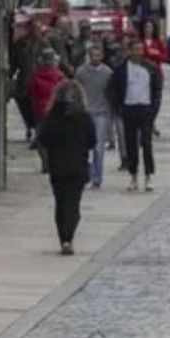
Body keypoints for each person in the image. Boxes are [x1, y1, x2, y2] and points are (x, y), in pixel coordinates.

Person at [32, 80, 98, 256]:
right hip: (78, 166)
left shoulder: (52, 117)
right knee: (73, 202)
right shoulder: (84, 118)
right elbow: (93, 141)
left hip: (58, 166)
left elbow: (43, 138)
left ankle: (64, 238)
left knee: (60, 202)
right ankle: (69, 235)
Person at [107, 37, 163, 192]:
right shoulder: (121, 69)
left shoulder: (151, 68)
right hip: (129, 109)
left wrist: (154, 109)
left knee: (146, 143)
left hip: (145, 109)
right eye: (135, 49)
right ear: (130, 51)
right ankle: (133, 175)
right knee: (130, 144)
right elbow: (112, 89)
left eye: (140, 49)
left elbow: (157, 90)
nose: (138, 52)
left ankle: (148, 175)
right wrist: (118, 108)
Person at [74, 45, 114, 189]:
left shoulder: (108, 73)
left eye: (98, 55)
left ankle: (97, 178)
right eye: (93, 55)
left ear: (102, 56)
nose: (95, 58)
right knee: (83, 147)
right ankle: (87, 174)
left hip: (101, 113)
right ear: (89, 56)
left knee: (98, 148)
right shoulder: (81, 72)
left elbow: (110, 94)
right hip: (85, 112)